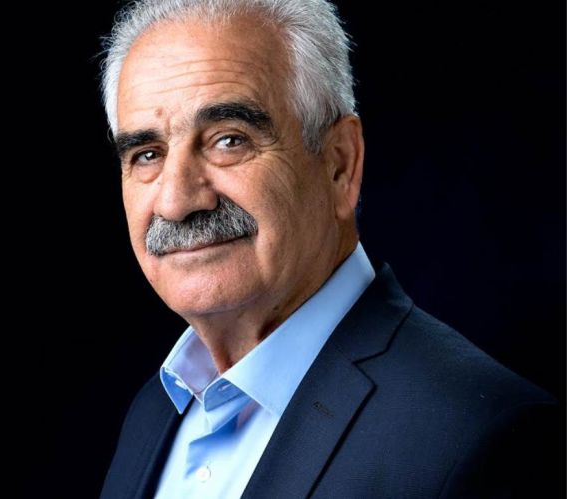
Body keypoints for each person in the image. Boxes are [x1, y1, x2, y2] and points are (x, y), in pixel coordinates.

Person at [96, 1, 562, 498]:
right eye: (147, 154)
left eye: (229, 141)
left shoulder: (482, 435)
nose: (176, 201)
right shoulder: (153, 413)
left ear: (340, 164)